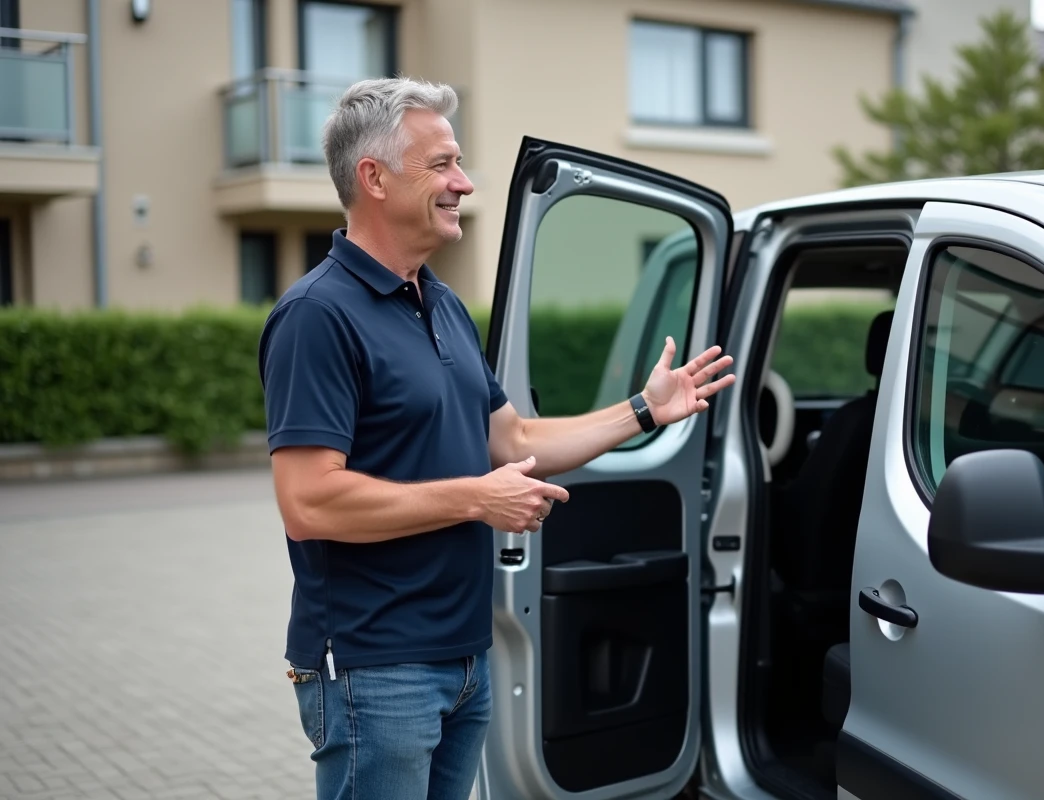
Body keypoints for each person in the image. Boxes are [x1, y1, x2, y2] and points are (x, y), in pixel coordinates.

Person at [258, 75, 736, 800]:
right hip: (376, 669)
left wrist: (642, 409)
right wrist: (477, 500)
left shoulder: (439, 303)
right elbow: (310, 502)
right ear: (374, 177)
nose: (465, 183)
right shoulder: (317, 316)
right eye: (443, 165)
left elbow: (512, 441)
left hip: (463, 659)